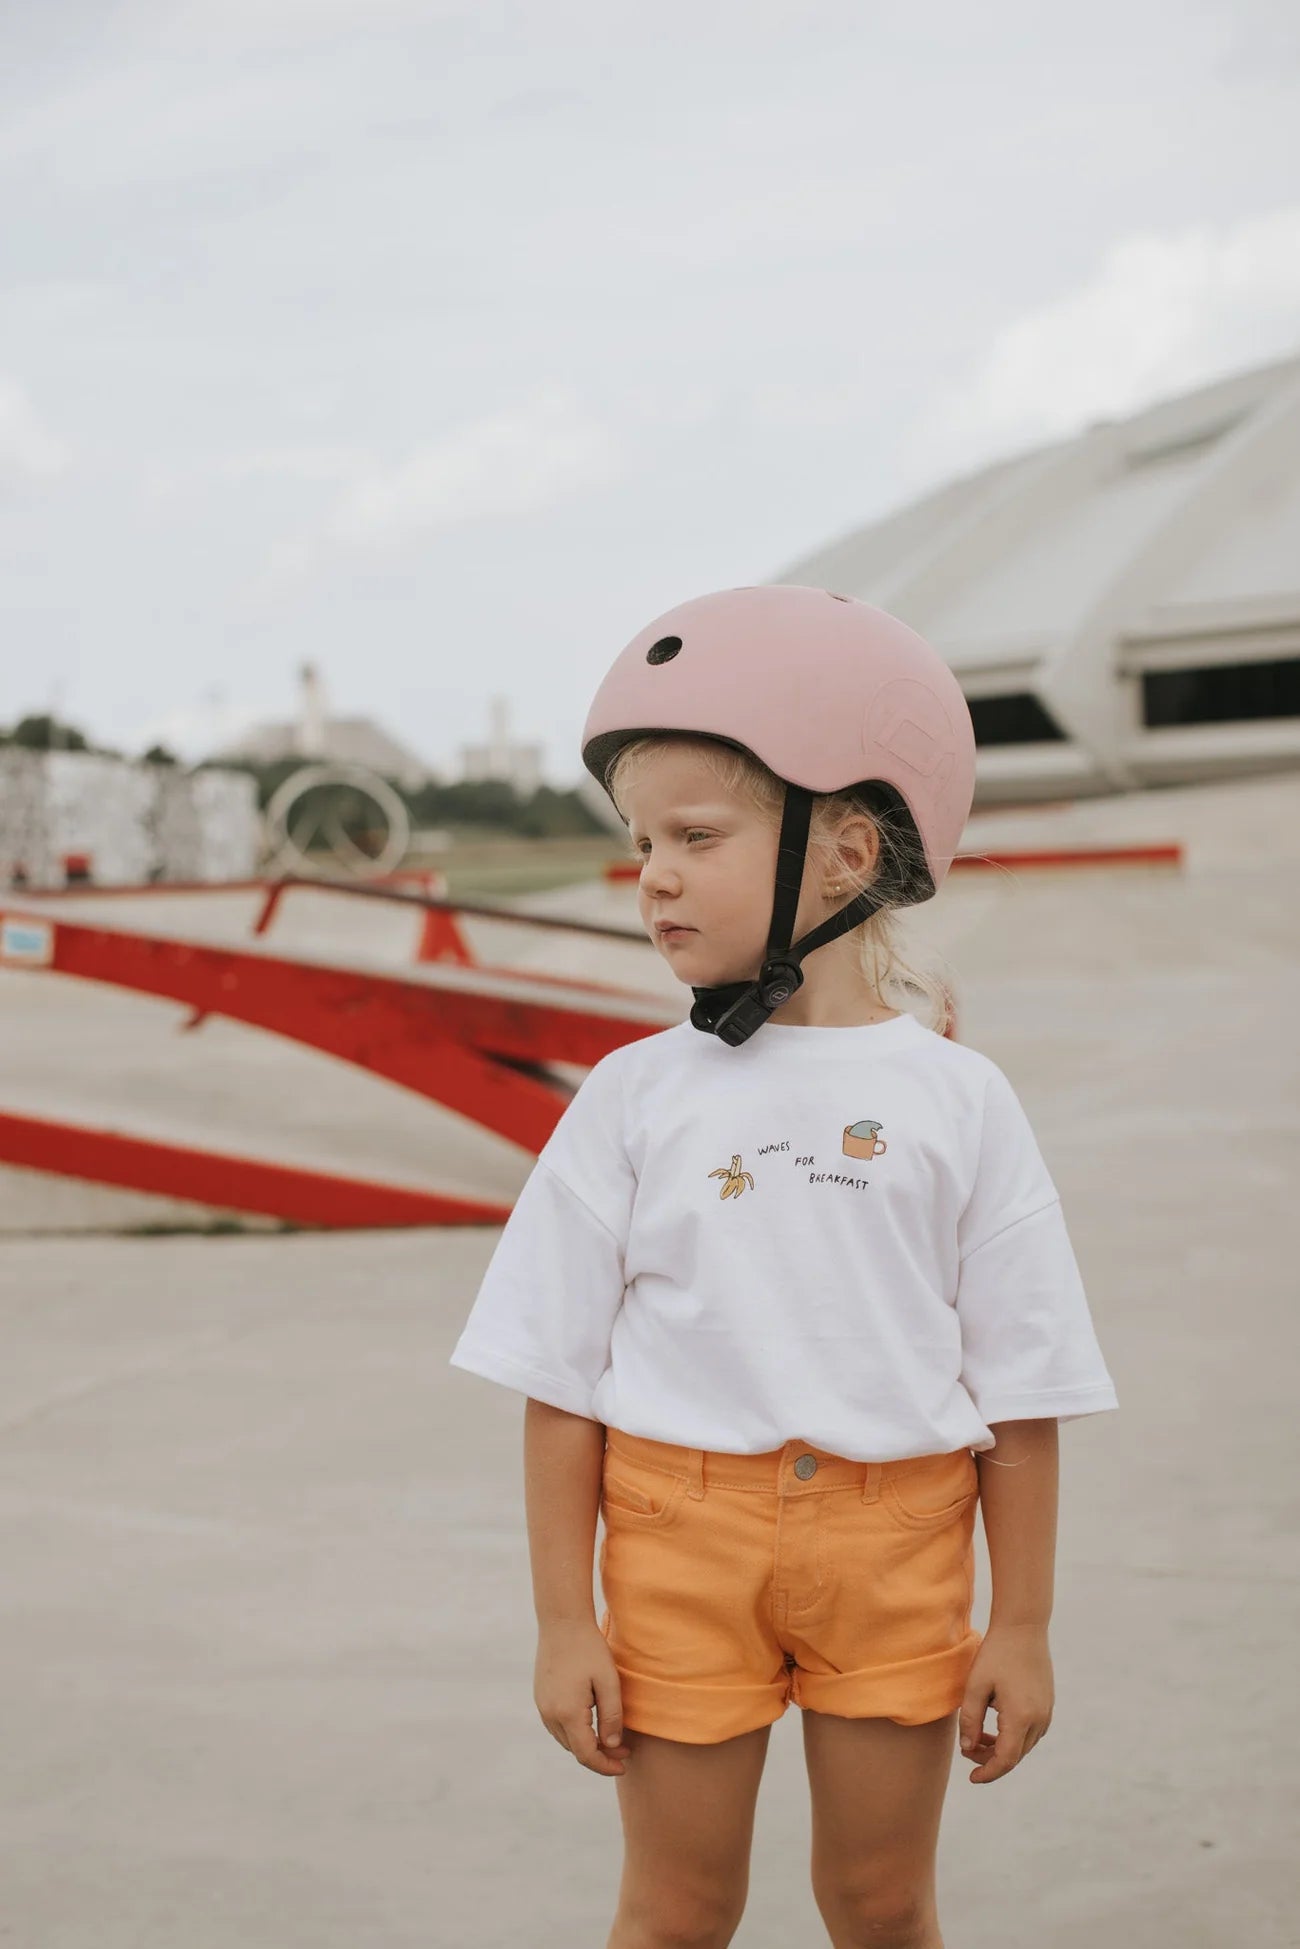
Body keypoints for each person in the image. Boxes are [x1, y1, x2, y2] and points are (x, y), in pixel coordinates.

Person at [449, 585, 1118, 1949]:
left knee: (881, 1904)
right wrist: (564, 1622)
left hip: (898, 1541)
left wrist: (1026, 1622)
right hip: (677, 1538)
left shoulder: (960, 1100)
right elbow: (556, 1380)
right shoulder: (631, 1096)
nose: (654, 875)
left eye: (697, 836)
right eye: (642, 842)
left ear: (844, 852)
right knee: (676, 1910)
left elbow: (1024, 1388)